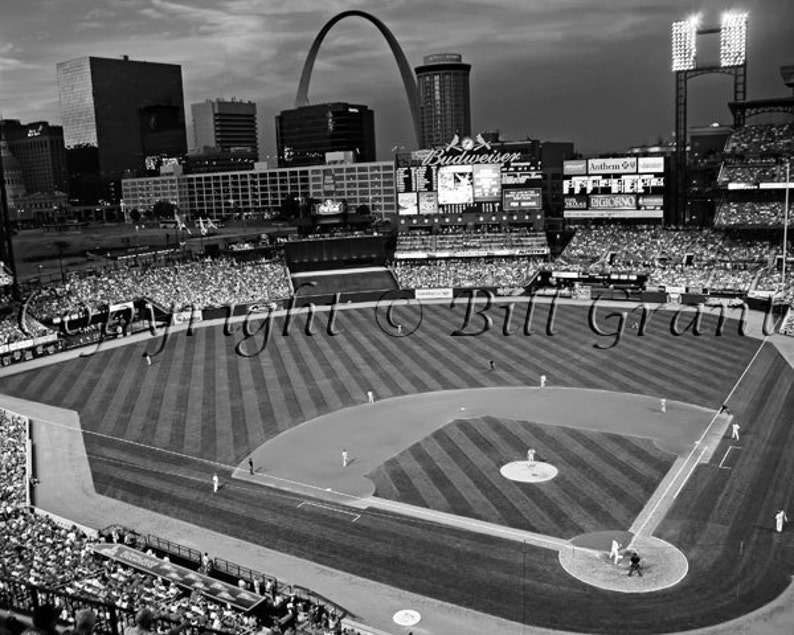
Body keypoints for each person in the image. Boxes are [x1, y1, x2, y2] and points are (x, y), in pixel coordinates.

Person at [124, 608, 190, 635]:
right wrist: (183, 625)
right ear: (148, 622)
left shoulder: (127, 630)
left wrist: (153, 619)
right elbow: (170, 633)